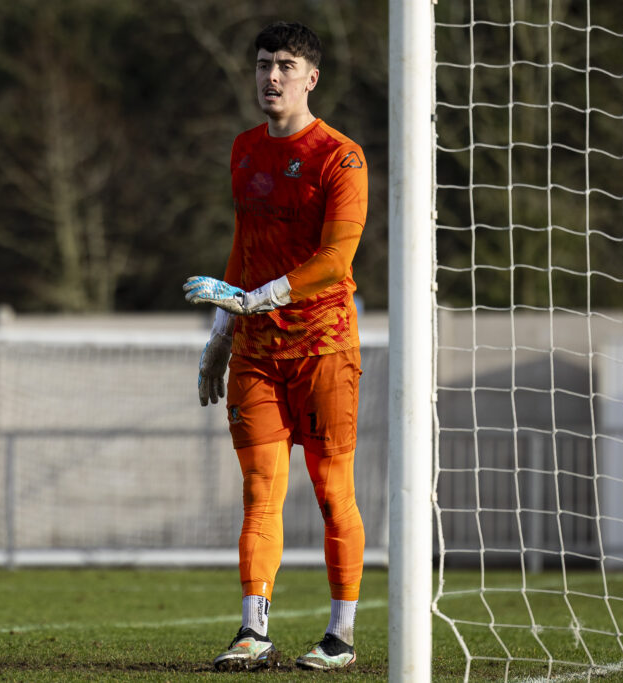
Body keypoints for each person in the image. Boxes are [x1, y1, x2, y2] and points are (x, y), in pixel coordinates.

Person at [182, 20, 368, 672]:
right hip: (258, 354)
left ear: (311, 78)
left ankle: (340, 634)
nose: (273, 76)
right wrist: (224, 328)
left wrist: (253, 299)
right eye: (264, 64)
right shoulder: (243, 150)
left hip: (323, 349)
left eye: (286, 65)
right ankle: (252, 630)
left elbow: (334, 260)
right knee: (260, 489)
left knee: (329, 491)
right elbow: (245, 247)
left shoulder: (340, 157)